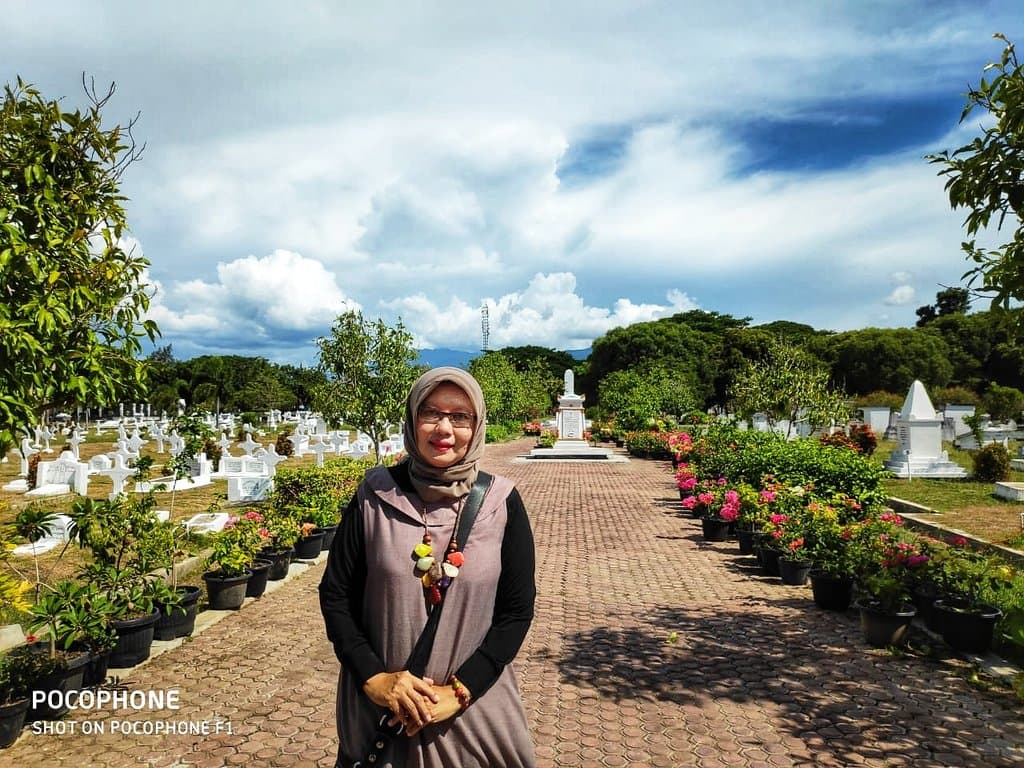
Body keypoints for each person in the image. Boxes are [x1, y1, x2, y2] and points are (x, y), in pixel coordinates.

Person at [319, 367, 537, 767]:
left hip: (473, 718)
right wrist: (375, 679)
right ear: (412, 419)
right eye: (431, 413)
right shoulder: (374, 495)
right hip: (382, 719)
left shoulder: (502, 502)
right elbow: (336, 595)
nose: (444, 429)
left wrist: (461, 690)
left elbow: (516, 611)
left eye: (460, 416)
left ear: (477, 425)